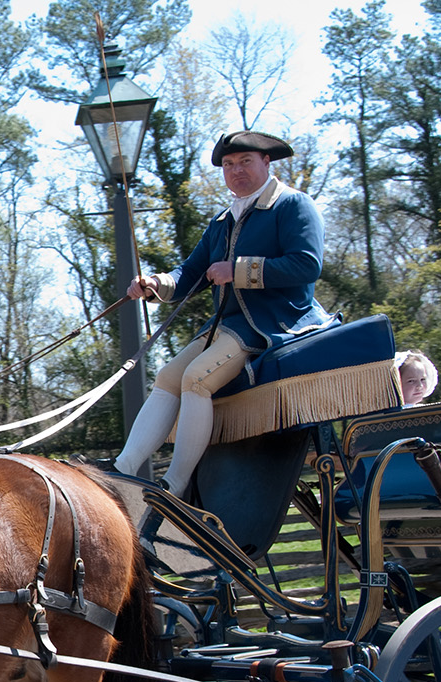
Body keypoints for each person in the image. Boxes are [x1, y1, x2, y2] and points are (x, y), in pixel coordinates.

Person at [108, 130, 333, 494]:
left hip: (275, 322)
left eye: (245, 161)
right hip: (229, 326)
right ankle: (122, 469)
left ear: (266, 163)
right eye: (228, 164)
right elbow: (191, 273)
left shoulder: (293, 205)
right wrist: (154, 283)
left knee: (197, 378)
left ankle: (175, 483)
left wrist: (237, 270)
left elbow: (306, 265)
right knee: (167, 376)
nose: (236, 170)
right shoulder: (222, 221)